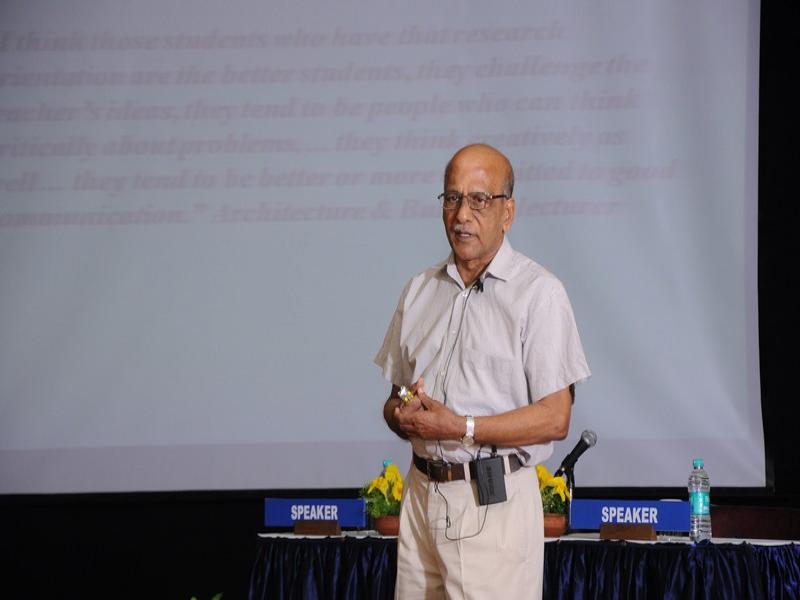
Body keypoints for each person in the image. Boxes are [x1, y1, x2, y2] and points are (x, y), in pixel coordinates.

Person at [374, 144, 591, 599]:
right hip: (420, 498)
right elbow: (395, 399)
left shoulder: (539, 293)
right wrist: (402, 415)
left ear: (507, 212)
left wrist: (461, 427)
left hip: (493, 502)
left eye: (479, 200)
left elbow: (556, 418)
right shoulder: (420, 289)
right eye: (452, 198)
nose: (461, 215)